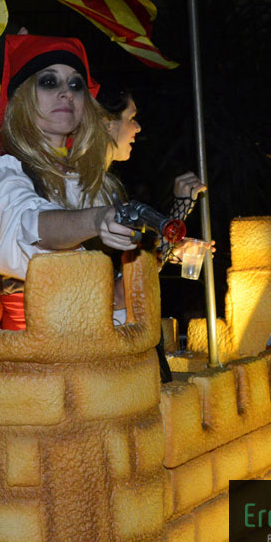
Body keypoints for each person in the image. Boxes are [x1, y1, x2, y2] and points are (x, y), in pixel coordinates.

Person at [0, 35, 140, 331]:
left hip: (100, 351)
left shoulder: (91, 181)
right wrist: (97, 219)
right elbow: (31, 224)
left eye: (75, 84)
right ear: (23, 97)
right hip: (39, 365)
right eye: (49, 82)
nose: (66, 93)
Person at [102, 89, 207, 380]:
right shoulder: (91, 190)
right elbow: (133, 280)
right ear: (106, 124)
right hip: (115, 338)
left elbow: (132, 261)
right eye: (131, 118)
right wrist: (180, 210)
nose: (137, 128)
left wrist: (176, 248)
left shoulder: (108, 187)